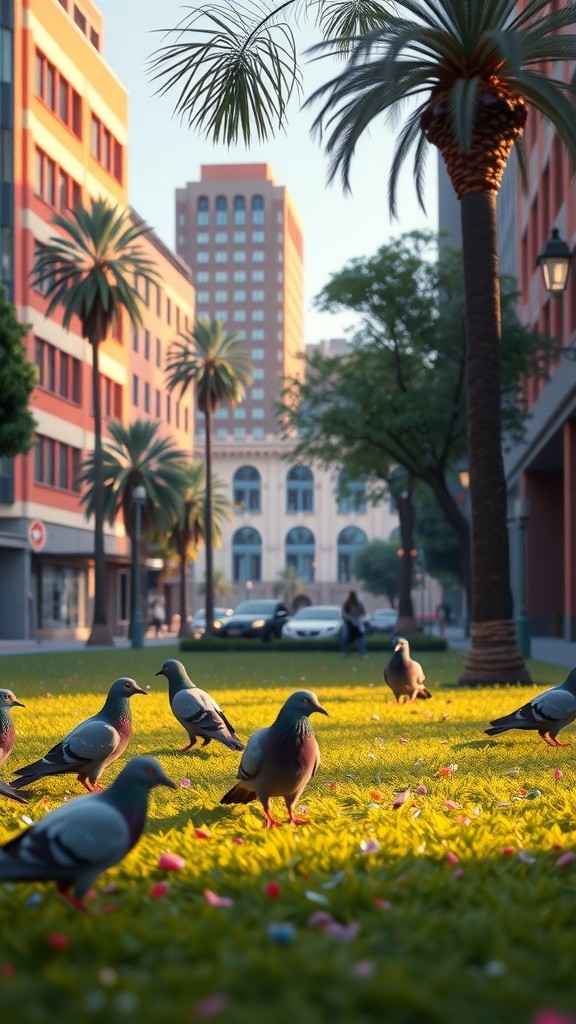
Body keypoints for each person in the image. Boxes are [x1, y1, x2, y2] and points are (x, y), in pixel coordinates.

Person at [341, 590, 367, 656]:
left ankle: (363, 653)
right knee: (345, 637)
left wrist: (358, 615)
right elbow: (344, 614)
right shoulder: (347, 603)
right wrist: (350, 619)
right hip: (348, 624)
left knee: (360, 638)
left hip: (357, 623)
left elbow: (363, 613)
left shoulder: (359, 604)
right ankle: (344, 652)